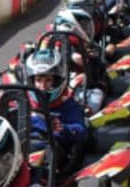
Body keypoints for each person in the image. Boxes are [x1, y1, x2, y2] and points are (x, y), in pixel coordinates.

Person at [24, 49, 89, 179]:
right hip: (24, 146)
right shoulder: (23, 101)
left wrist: (63, 128)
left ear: (57, 81)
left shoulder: (67, 104)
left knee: (47, 154)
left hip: (53, 150)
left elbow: (81, 130)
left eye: (48, 80)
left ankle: (40, 185)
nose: (43, 86)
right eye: (38, 80)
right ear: (31, 81)